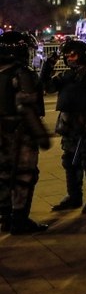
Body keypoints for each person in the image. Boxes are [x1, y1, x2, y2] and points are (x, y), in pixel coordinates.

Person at [39, 39, 86, 214]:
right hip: (69, 125)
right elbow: (48, 87)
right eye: (67, 55)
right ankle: (74, 196)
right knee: (69, 161)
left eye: (73, 54)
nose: (70, 58)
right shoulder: (67, 75)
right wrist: (47, 67)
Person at [0, 32, 52, 233]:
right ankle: (19, 219)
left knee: (4, 174)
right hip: (19, 134)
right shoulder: (23, 73)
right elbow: (26, 106)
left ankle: (5, 216)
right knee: (24, 175)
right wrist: (41, 135)